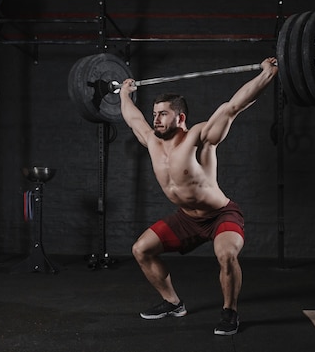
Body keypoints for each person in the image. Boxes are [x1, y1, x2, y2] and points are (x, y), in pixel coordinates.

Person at [119, 57, 278, 335]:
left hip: (220, 215)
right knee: (140, 249)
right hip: (186, 220)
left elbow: (233, 107)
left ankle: (230, 312)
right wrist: (123, 93)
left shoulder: (198, 137)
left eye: (163, 113)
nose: (155, 118)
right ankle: (172, 303)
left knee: (226, 255)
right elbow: (132, 117)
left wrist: (268, 74)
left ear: (180, 118)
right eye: (154, 113)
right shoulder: (152, 141)